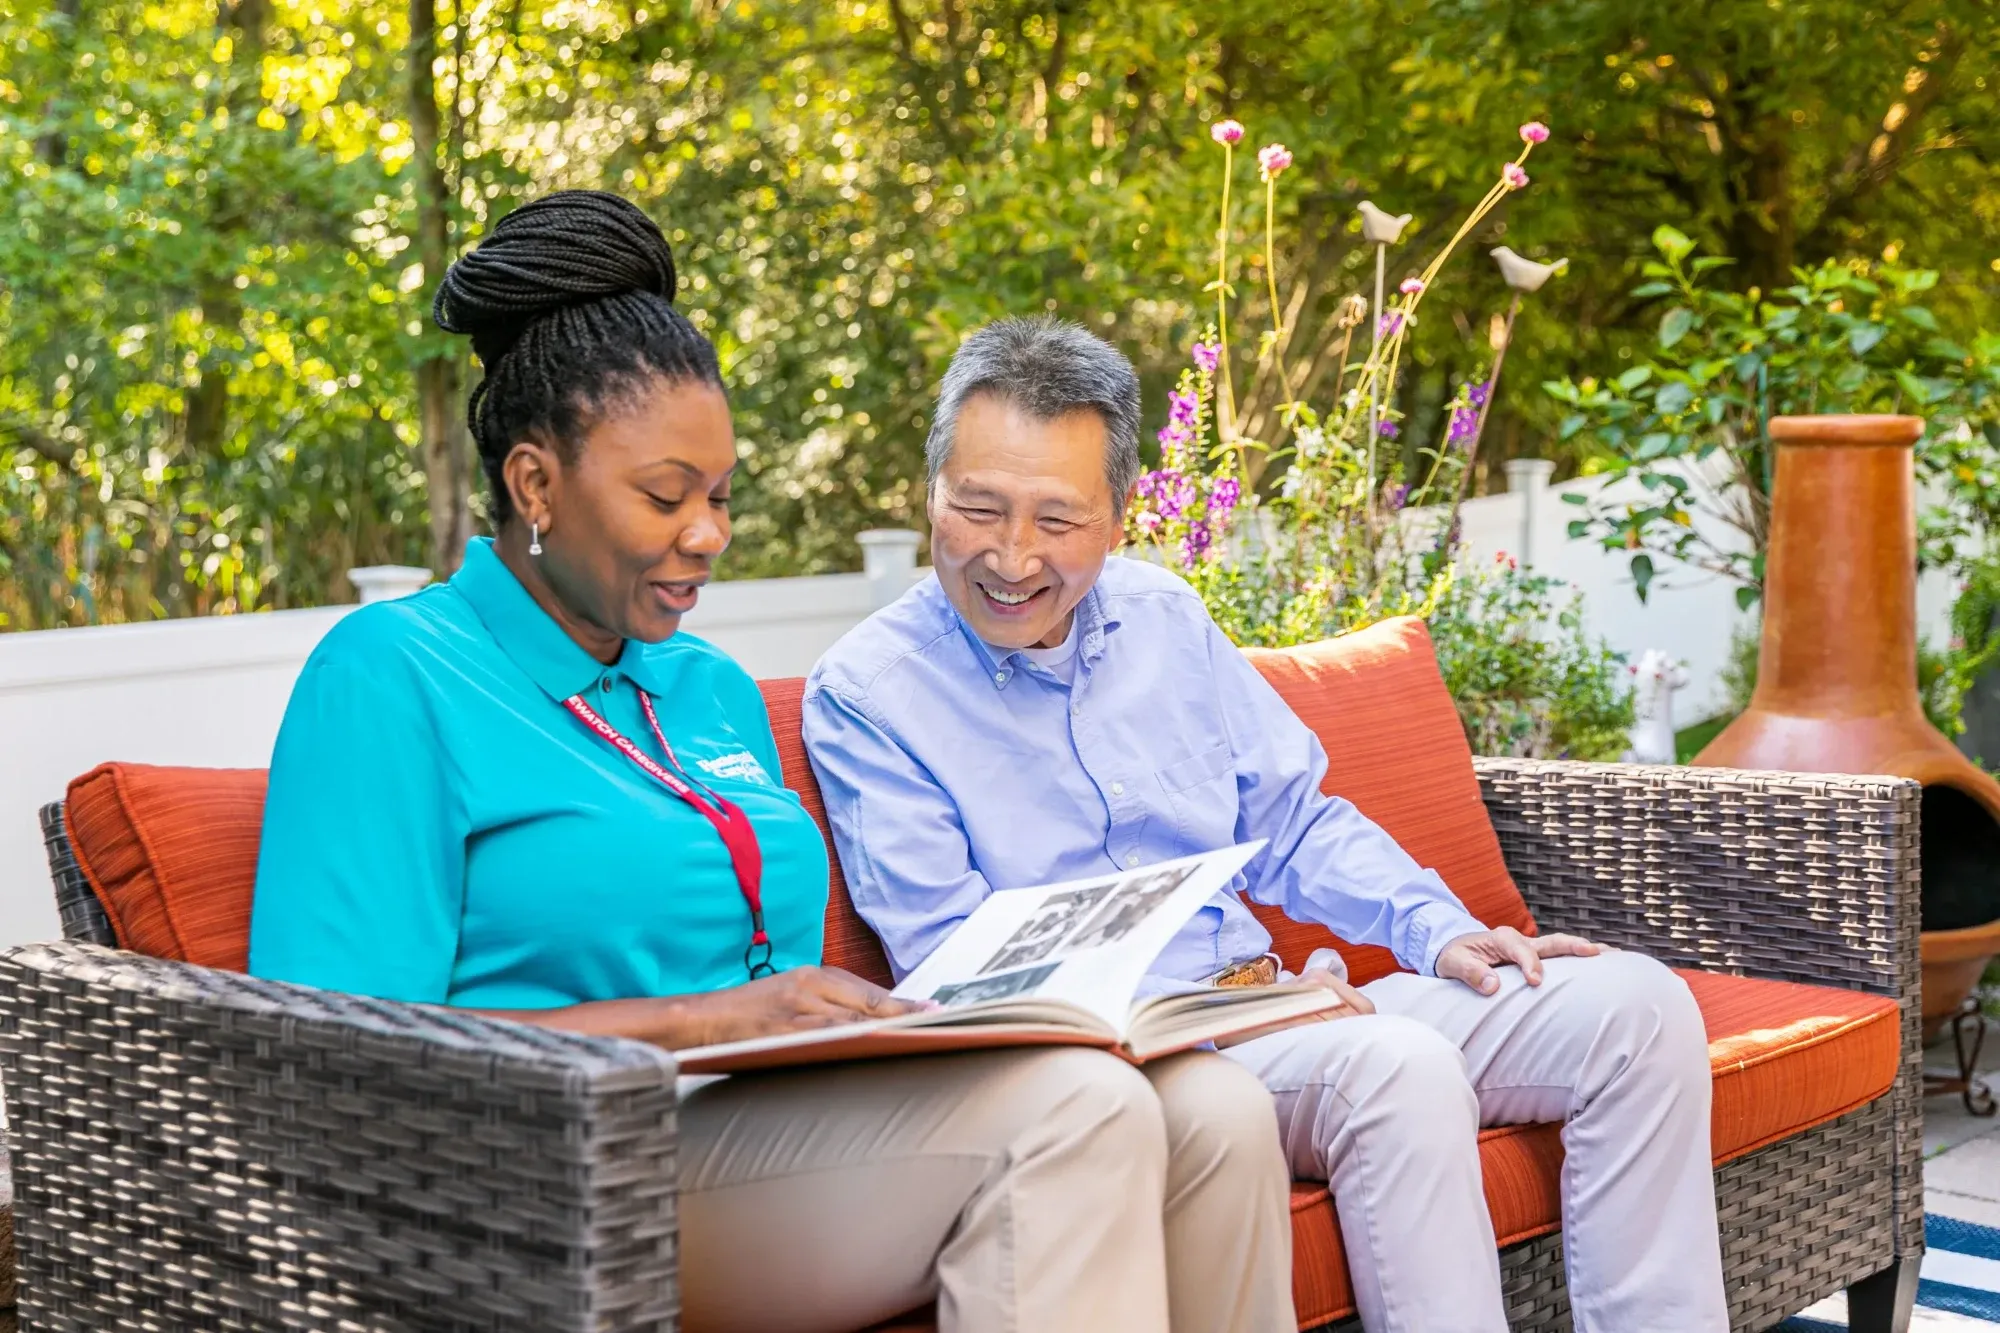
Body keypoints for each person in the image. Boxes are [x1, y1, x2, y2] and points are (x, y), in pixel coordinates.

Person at [248, 195, 1297, 1333]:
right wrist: (700, 1022)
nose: (708, 534)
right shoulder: (394, 671)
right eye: (664, 496)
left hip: (764, 1121)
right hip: (549, 1164)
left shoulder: (707, 690)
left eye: (719, 497)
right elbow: (329, 1056)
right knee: (1080, 1109)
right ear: (534, 484)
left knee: (1216, 1117)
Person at [801, 317, 1732, 1333]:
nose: (1010, 556)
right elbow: (957, 965)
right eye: (976, 507)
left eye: (1056, 521)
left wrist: (1440, 929)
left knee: (1636, 1010)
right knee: (1397, 1066)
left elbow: (1291, 822)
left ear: (1118, 517)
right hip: (1156, 1063)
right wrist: (1251, 1013)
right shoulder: (868, 693)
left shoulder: (1162, 617)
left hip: (1286, 1009)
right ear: (929, 489)